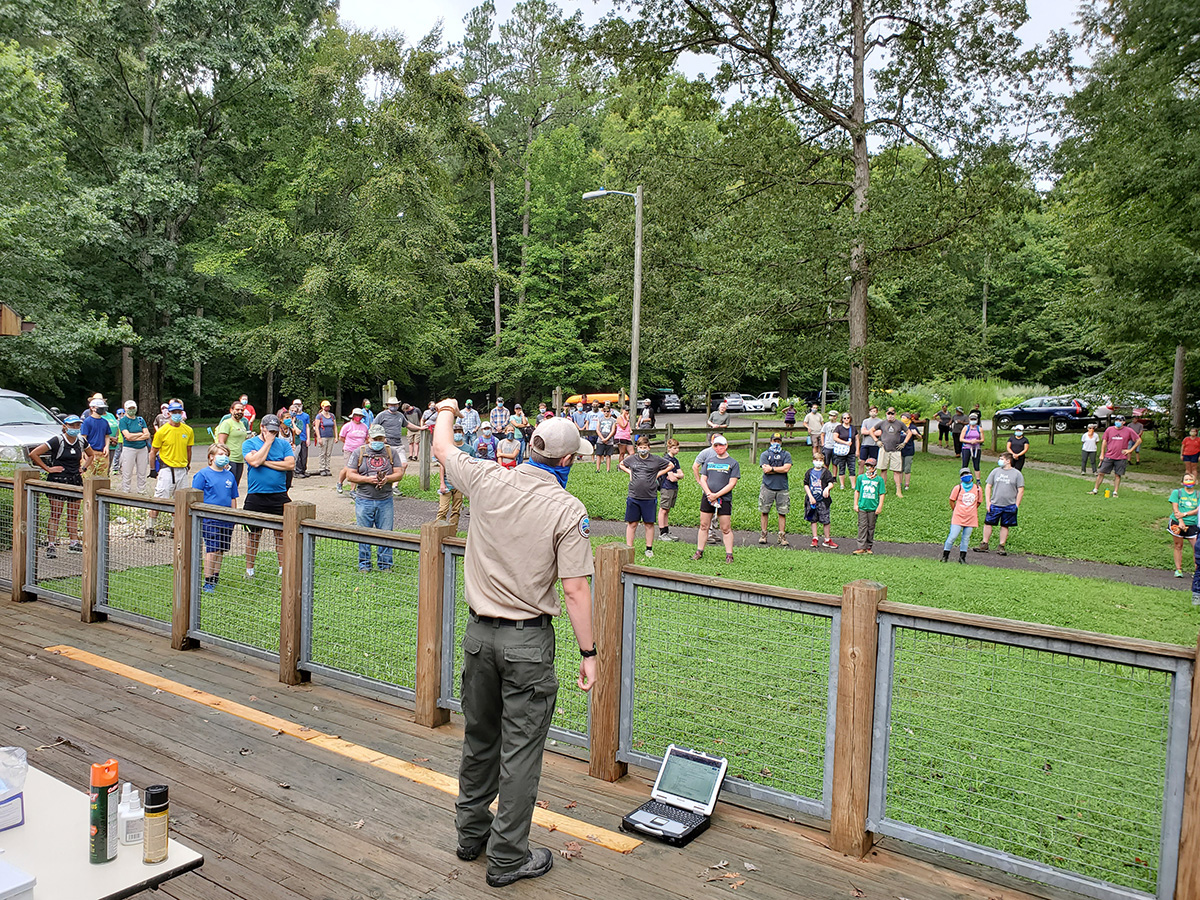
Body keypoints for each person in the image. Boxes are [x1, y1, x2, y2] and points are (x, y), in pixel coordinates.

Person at [430, 402, 595, 889]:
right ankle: (506, 858)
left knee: (479, 739)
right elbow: (575, 590)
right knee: (520, 753)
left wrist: (447, 408)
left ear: (530, 447)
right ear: (567, 461)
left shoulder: (486, 478)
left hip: (478, 637)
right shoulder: (568, 509)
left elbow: (441, 446)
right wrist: (589, 654)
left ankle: (470, 836)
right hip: (528, 643)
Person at [29, 415, 93, 557]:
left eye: (77, 425)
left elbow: (91, 455)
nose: (75, 428)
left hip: (75, 480)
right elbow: (34, 454)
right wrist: (48, 469)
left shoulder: (81, 441)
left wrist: (84, 468)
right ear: (65, 426)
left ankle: (74, 542)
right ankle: (51, 544)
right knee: (56, 513)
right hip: (58, 480)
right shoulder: (57, 440)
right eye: (72, 425)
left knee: (73, 513)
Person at [344, 423, 405, 571]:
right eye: (375, 438)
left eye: (380, 438)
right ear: (368, 438)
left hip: (385, 500)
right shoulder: (358, 452)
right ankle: (364, 565)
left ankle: (385, 565)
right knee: (364, 533)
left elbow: (399, 473)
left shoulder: (391, 452)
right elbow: (350, 475)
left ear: (384, 438)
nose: (377, 441)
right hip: (364, 499)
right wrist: (367, 479)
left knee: (386, 533)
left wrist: (387, 479)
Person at [242, 414, 294, 578]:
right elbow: (254, 462)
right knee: (254, 534)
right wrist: (268, 443)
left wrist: (265, 461)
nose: (272, 434)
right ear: (262, 428)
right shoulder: (249, 443)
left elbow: (290, 464)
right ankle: (249, 569)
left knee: (281, 534)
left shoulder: (284, 444)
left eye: (275, 431)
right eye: (269, 430)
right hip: (256, 495)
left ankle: (283, 568)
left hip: (279, 494)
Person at [192, 446, 239, 593]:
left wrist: (234, 515)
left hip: (226, 519)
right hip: (210, 518)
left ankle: (215, 576)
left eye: (226, 454)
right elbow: (195, 495)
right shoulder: (203, 474)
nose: (224, 456)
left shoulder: (230, 475)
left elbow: (233, 497)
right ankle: (208, 580)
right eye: (220, 454)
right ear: (211, 457)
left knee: (221, 549)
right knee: (212, 549)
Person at [146, 400, 194, 541]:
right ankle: (150, 527)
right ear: (169, 414)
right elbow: (153, 452)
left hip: (181, 469)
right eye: (174, 412)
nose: (177, 415)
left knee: (181, 500)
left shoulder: (188, 430)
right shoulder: (162, 431)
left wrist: (188, 465)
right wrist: (153, 469)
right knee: (159, 499)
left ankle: (175, 528)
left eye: (179, 412)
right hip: (167, 469)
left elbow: (189, 449)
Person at [620, 435, 672, 558]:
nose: (642, 449)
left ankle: (649, 549)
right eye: (640, 447)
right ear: (637, 448)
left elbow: (670, 465)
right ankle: (629, 548)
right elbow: (621, 464)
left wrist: (658, 474)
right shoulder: (632, 459)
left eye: (645, 447)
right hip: (634, 495)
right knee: (632, 523)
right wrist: (630, 472)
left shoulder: (656, 459)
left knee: (649, 524)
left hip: (649, 496)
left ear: (649, 448)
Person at [690, 434, 740, 563]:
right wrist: (709, 494)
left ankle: (729, 555)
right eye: (716, 445)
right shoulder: (709, 461)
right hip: (707, 497)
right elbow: (703, 479)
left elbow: (732, 483)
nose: (718, 448)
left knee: (725, 528)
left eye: (721, 445)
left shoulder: (733, 463)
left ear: (726, 446)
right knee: (704, 525)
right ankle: (699, 551)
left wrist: (716, 495)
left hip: (724, 498)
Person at [974, 452, 1025, 555]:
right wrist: (988, 502)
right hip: (995, 503)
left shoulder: (1017, 474)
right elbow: (988, 486)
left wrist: (1016, 505)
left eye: (1002, 459)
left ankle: (1001, 546)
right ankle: (984, 544)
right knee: (988, 523)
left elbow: (1021, 490)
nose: (1000, 461)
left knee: (1005, 525)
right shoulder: (995, 471)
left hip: (1009, 505)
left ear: (1008, 461)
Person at [1091, 414, 1142, 498]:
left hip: (1121, 457)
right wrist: (1102, 454)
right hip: (1109, 455)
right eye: (1116, 420)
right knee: (1101, 473)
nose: (1118, 422)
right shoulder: (1109, 429)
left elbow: (1138, 440)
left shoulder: (1128, 430)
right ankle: (1095, 490)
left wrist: (1130, 450)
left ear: (1124, 422)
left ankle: (1115, 492)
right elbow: (1104, 441)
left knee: (1117, 475)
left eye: (1120, 421)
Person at [758, 431, 792, 546]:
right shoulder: (765, 454)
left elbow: (786, 468)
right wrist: (779, 469)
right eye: (774, 441)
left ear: (781, 442)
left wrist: (772, 469)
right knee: (764, 511)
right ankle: (763, 535)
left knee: (782, 512)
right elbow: (765, 470)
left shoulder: (786, 454)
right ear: (770, 441)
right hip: (767, 486)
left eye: (778, 441)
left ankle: (782, 536)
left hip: (782, 487)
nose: (776, 443)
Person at [437, 424, 472, 530]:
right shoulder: (447, 448)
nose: (457, 434)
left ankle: (452, 531)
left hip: (460, 484)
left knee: (456, 510)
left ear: (463, 433)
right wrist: (442, 483)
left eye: (459, 432)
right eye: (455, 432)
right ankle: (438, 529)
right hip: (447, 483)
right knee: (443, 509)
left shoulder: (469, 449)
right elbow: (442, 466)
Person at [942, 468, 980, 563]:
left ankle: (962, 558)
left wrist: (971, 509)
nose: (966, 476)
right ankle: (945, 556)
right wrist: (956, 510)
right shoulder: (958, 488)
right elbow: (951, 500)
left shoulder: (978, 489)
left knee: (966, 538)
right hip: (958, 516)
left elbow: (979, 502)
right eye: (963, 474)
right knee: (953, 536)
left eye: (968, 473)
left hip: (971, 517)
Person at [691, 434, 724, 546]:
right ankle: (708, 533)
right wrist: (699, 480)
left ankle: (712, 531)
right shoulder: (706, 452)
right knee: (708, 509)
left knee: (717, 510)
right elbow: (695, 466)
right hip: (708, 486)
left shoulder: (723, 454)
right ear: (711, 442)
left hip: (720, 487)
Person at [852, 456, 885, 555]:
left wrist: (880, 506)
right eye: (867, 466)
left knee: (871, 527)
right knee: (862, 526)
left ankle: (868, 546)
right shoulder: (861, 478)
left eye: (871, 466)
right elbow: (857, 491)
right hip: (862, 506)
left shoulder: (879, 480)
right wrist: (855, 504)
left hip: (873, 507)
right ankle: (861, 547)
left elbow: (881, 493)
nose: (869, 468)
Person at [1169, 473, 1199, 578]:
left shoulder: (1198, 494)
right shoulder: (1177, 493)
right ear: (1182, 482)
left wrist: (1185, 514)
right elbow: (1175, 508)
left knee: (1197, 547)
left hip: (1193, 524)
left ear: (1195, 482)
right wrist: (1181, 521)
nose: (1188, 481)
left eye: (1191, 479)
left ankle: (1197, 571)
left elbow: (1198, 509)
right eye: (1186, 479)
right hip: (1177, 522)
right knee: (1178, 545)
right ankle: (1178, 570)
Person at [803, 452, 836, 549]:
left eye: (820, 460)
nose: (818, 462)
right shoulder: (809, 472)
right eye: (816, 460)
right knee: (813, 519)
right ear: (813, 461)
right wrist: (810, 496)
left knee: (826, 520)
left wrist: (827, 488)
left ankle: (827, 539)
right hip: (812, 500)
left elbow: (831, 483)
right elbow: (806, 484)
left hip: (823, 500)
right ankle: (815, 538)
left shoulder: (826, 472)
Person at [215, 399, 251, 487]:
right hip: (230, 459)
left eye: (242, 410)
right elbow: (221, 441)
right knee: (228, 485)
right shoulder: (227, 423)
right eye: (237, 409)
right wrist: (225, 459)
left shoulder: (242, 424)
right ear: (231, 410)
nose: (240, 412)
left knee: (235, 485)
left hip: (240, 459)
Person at [118, 401, 150, 495]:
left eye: (133, 408)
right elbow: (127, 436)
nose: (132, 410)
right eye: (130, 408)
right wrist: (140, 434)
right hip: (129, 448)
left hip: (142, 448)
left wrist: (134, 436)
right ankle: (126, 490)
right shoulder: (123, 421)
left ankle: (141, 490)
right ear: (126, 409)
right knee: (127, 471)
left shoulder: (140, 420)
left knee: (142, 471)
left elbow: (147, 434)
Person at [877, 407, 909, 498]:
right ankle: (883, 489)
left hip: (896, 450)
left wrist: (904, 443)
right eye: (889, 413)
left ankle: (898, 490)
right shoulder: (882, 423)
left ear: (895, 414)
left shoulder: (900, 423)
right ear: (886, 414)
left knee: (897, 471)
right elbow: (871, 430)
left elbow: (909, 432)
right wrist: (877, 440)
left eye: (892, 414)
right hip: (884, 449)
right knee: (883, 469)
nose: (890, 415)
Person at [656, 437, 684, 542]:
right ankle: (662, 533)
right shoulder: (666, 460)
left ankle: (666, 531)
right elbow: (672, 478)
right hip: (666, 487)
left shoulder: (675, 460)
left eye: (678, 448)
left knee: (667, 510)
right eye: (675, 448)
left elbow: (681, 475)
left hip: (673, 487)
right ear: (669, 448)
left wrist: (676, 475)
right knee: (663, 509)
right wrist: (677, 475)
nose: (677, 450)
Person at [336, 408, 369, 494]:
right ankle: (340, 482)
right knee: (347, 468)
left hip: (360, 451)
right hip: (349, 450)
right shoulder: (347, 426)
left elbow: (367, 438)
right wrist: (349, 443)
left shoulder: (364, 426)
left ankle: (352, 489)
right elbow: (341, 437)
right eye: (357, 415)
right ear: (353, 416)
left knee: (355, 470)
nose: (358, 417)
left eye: (360, 416)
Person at [81, 397, 112, 478]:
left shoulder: (105, 422)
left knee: (102, 476)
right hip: (91, 451)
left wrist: (106, 446)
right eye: (100, 408)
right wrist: (85, 452)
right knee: (89, 476)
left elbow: (107, 436)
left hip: (102, 452)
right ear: (92, 408)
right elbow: (83, 438)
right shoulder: (87, 422)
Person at [832, 411, 857, 489]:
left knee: (852, 468)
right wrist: (845, 443)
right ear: (842, 419)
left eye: (848, 418)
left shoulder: (853, 428)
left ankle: (853, 485)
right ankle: (842, 485)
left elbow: (857, 439)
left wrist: (857, 450)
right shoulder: (838, 428)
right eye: (844, 418)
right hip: (841, 451)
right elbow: (835, 438)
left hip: (851, 451)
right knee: (841, 467)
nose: (846, 419)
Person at [314, 400, 338, 476]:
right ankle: (322, 468)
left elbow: (335, 427)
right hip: (323, 436)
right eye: (326, 406)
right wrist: (319, 438)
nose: (327, 407)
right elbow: (317, 428)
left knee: (328, 453)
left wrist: (336, 436)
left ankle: (327, 468)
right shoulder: (319, 416)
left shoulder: (332, 416)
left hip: (330, 436)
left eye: (328, 406)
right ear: (322, 406)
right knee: (322, 453)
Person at [290, 399, 311, 478]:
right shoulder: (291, 416)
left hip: (304, 437)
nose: (298, 406)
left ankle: (303, 470)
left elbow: (307, 427)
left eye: (299, 405)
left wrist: (308, 438)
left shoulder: (306, 416)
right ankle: (297, 471)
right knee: (297, 456)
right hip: (295, 438)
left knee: (304, 456)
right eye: (296, 405)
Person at [959, 411, 984, 476]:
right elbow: (961, 439)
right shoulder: (966, 428)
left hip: (976, 448)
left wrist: (976, 441)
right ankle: (964, 478)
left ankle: (978, 479)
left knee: (976, 465)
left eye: (974, 419)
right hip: (966, 448)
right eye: (972, 419)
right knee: (965, 464)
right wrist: (970, 441)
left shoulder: (979, 429)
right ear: (969, 419)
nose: (973, 421)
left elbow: (982, 439)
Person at [900, 414, 920, 490]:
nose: (902, 419)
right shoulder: (899, 426)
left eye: (904, 417)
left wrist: (916, 434)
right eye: (901, 417)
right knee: (899, 468)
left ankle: (907, 485)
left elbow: (920, 437)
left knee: (907, 468)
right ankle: (899, 483)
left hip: (909, 450)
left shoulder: (912, 427)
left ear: (908, 418)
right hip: (899, 450)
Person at [594, 406, 617, 472]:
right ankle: (598, 469)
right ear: (603, 412)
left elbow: (613, 430)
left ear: (610, 412)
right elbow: (597, 429)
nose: (606, 413)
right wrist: (602, 438)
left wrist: (607, 438)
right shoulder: (600, 419)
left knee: (608, 455)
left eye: (607, 411)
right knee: (598, 454)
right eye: (605, 411)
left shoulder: (613, 420)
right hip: (600, 439)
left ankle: (608, 469)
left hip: (609, 439)